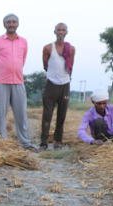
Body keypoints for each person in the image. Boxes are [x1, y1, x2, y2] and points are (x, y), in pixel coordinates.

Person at [0, 13, 36, 151]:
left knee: (21, 113)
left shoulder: (23, 42)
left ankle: (25, 142)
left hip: (18, 81)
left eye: (14, 22)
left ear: (17, 24)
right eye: (8, 22)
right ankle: (3, 142)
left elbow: (22, 60)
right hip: (1, 81)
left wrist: (16, 71)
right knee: (1, 114)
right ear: (4, 25)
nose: (11, 24)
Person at [40, 23, 75, 151]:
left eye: (63, 30)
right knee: (47, 115)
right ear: (54, 32)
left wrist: (66, 77)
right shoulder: (48, 48)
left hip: (65, 84)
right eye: (58, 30)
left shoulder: (71, 49)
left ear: (66, 32)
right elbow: (45, 65)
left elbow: (71, 65)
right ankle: (43, 142)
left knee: (62, 115)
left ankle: (57, 141)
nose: (61, 32)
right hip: (52, 83)